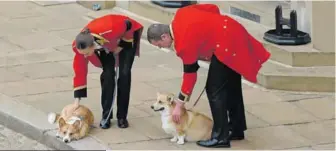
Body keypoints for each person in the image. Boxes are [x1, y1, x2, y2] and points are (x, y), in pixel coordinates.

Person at [146, 3, 270, 148]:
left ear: (164, 36)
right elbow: (213, 8)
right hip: (232, 30)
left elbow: (190, 76)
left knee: (214, 90)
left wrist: (179, 105)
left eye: (160, 44)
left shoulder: (183, 44)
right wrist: (212, 31)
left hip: (226, 45)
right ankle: (236, 129)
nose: (162, 47)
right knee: (231, 85)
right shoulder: (181, 13)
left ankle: (220, 137)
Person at [71, 14, 143, 129]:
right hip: (106, 43)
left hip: (126, 36)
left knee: (124, 74)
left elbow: (128, 26)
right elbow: (80, 71)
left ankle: (122, 117)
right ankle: (106, 116)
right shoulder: (79, 47)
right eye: (82, 54)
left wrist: (121, 46)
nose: (84, 57)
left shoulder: (110, 27)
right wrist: (77, 100)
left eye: (86, 53)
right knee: (108, 75)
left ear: (92, 45)